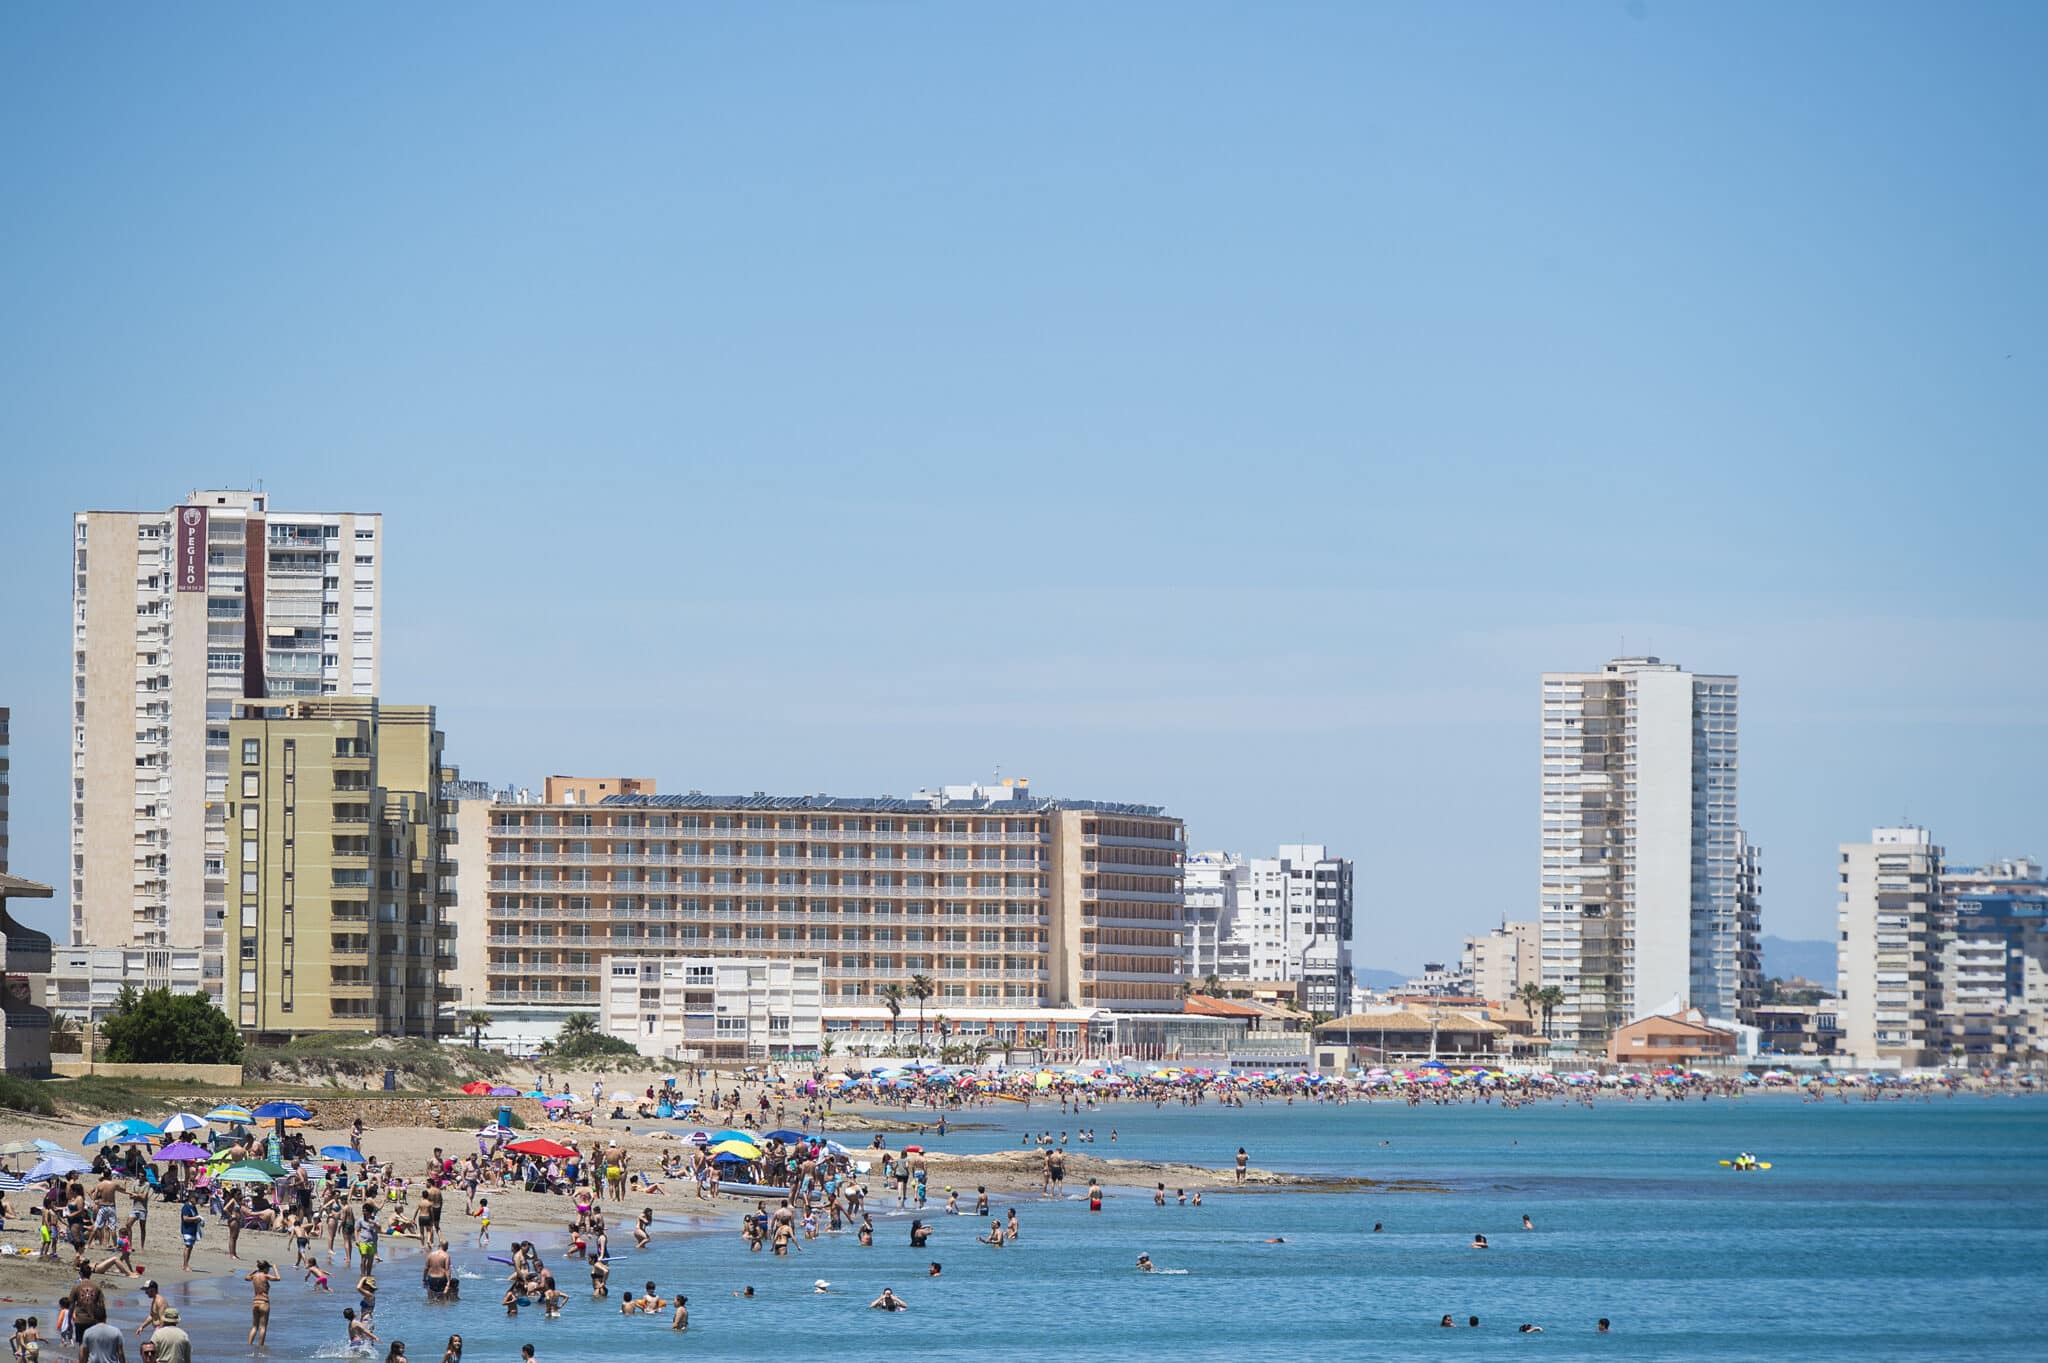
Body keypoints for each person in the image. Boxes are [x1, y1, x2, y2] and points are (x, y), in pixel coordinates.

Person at [247, 1260, 281, 1346]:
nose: (269, 1270)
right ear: (265, 1268)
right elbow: (278, 1278)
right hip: (264, 1302)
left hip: (255, 1302)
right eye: (268, 1268)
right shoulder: (265, 1276)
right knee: (263, 1327)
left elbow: (246, 1278)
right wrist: (275, 1268)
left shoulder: (254, 1276)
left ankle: (249, 1345)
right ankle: (260, 1347)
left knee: (254, 1327)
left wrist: (255, 1270)